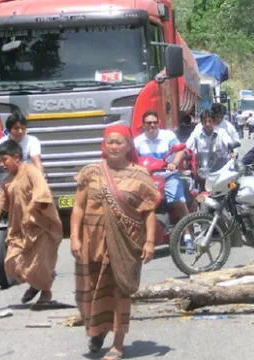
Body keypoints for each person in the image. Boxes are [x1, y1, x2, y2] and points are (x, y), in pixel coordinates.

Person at [71, 124, 159, 359]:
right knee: (89, 292)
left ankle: (118, 343)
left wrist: (149, 242)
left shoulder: (140, 175)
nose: (113, 146)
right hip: (92, 241)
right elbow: (78, 207)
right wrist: (74, 237)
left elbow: (149, 211)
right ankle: (98, 330)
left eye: (119, 142)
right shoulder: (90, 172)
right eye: (109, 142)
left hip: (124, 244)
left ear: (129, 145)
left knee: (120, 291)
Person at [0, 140, 62, 306]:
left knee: (40, 263)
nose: (2, 164)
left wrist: (33, 210)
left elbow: (42, 193)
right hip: (19, 228)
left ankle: (45, 293)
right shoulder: (6, 181)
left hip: (41, 227)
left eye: (5, 160)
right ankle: (35, 284)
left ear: (16, 157)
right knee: (12, 263)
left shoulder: (31, 172)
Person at [0, 112, 43, 280]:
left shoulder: (32, 142)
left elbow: (37, 161)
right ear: (9, 130)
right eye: (15, 128)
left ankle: (39, 262)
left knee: (36, 224)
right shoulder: (1, 144)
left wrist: (39, 179)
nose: (19, 131)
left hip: (25, 188)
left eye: (22, 128)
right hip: (4, 184)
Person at [134, 111, 189, 222]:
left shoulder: (168, 136)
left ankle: (188, 230)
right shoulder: (137, 142)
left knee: (177, 200)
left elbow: (180, 150)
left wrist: (174, 163)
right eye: (148, 123)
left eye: (154, 122)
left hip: (168, 176)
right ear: (143, 124)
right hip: (147, 179)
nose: (152, 125)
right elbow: (132, 160)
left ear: (159, 123)